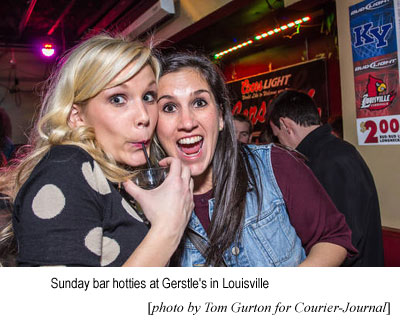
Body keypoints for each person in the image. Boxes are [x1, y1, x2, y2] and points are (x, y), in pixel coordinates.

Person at [0, 34, 194, 267]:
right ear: (77, 116)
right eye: (118, 99)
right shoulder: (66, 168)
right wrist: (168, 228)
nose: (144, 116)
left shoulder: (111, 175)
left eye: (148, 97)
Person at [155, 52, 356, 267]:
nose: (187, 122)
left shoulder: (274, 165)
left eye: (199, 102)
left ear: (222, 117)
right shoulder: (144, 207)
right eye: (169, 107)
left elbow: (333, 237)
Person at [268, 90, 384, 266]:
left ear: (286, 126)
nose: (280, 143)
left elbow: (344, 238)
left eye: (278, 136)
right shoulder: (334, 152)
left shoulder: (331, 160)